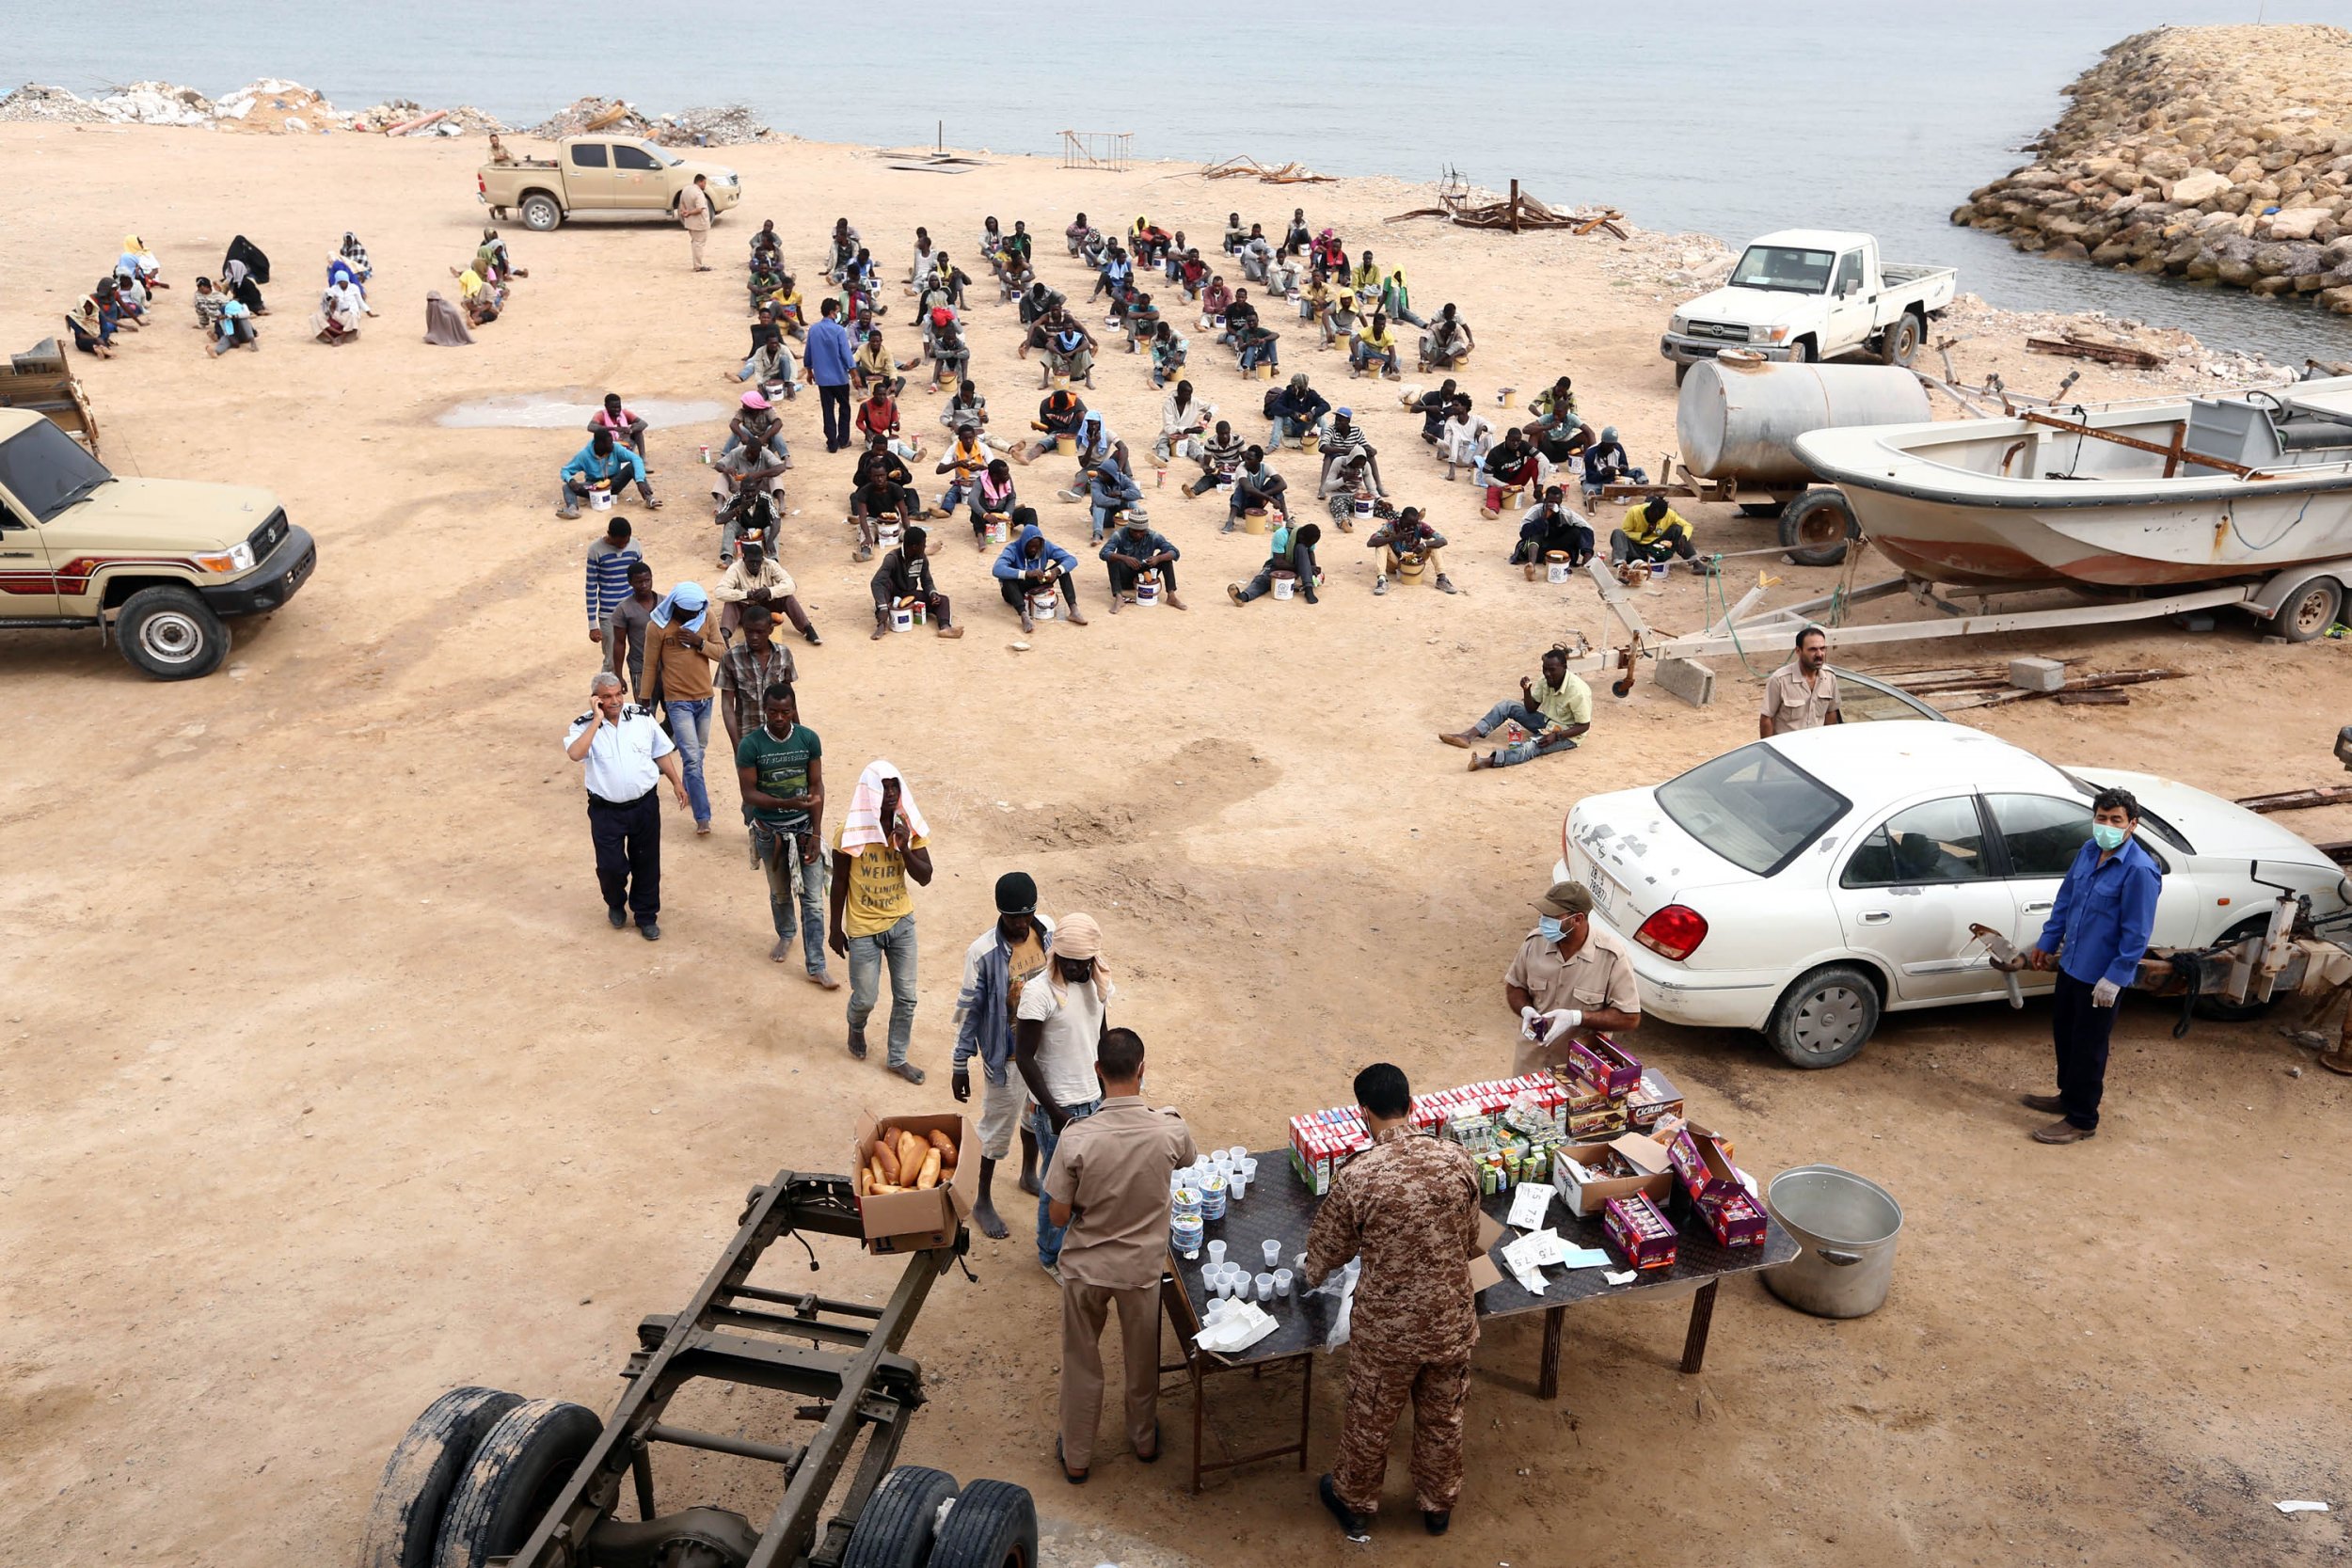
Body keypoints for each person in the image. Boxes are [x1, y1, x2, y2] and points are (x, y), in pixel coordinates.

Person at [1306, 1062, 1482, 1543]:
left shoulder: (1358, 1175)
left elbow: (1326, 1252)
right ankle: (1438, 1506)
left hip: (1388, 1332)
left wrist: (1309, 1273)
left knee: (1371, 1416)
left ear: (1364, 1113)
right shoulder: (1458, 1160)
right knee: (1444, 1417)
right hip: (1450, 1322)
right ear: (1412, 1104)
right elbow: (1470, 1240)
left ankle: (1355, 1503)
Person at [1046, 1026, 1195, 1481]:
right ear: (1142, 1070)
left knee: (1081, 1361)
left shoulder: (1076, 1138)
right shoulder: (1170, 1129)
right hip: (1141, 1271)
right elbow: (1188, 1161)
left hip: (1086, 1268)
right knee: (1142, 1359)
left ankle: (1077, 1456)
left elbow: (1056, 1217)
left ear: (1097, 1072)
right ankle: (1143, 1439)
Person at [2020, 788, 2160, 1145]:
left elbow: (2137, 933)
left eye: (2116, 820)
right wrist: (2047, 942)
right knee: (2064, 1035)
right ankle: (2068, 1097)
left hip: (2101, 977)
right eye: (2102, 818)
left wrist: (2115, 978)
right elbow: (2066, 900)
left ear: (2132, 825)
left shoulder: (2140, 870)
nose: (2107, 825)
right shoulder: (2088, 851)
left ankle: (2083, 1119)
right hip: (2072, 965)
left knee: (2089, 1046)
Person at [954, 874, 1054, 1241]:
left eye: (1026, 916)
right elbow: (970, 1010)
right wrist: (959, 1062)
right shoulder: (982, 952)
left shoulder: (1048, 934)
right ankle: (981, 1199)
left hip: (1044, 1049)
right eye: (1013, 917)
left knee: (1034, 1114)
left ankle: (1029, 1173)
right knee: (996, 1131)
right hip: (1006, 1057)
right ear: (1000, 913)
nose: (1021, 924)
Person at [1015, 911, 1114, 1275]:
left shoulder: (1097, 983)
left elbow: (1101, 1037)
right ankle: (1050, 1256)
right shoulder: (1037, 994)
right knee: (1057, 1188)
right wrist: (1055, 1112)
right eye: (1069, 963)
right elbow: (1025, 1059)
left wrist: (1108, 1095)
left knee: (1089, 1181)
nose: (1076, 970)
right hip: (1056, 1109)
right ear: (1057, 956)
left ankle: (1078, 1245)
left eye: (1082, 963)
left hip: (1093, 1100)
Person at [829, 761, 933, 1085]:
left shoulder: (907, 826)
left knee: (907, 997)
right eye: (883, 787)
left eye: (894, 786)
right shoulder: (849, 830)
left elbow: (925, 877)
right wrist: (835, 928)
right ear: (869, 792)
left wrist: (903, 848)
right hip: (863, 929)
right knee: (865, 998)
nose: (890, 793)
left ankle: (897, 1057)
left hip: (901, 922)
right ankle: (856, 1025)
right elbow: (839, 882)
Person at [565, 672, 689, 942]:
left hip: (644, 805)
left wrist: (676, 782)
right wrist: (597, 721)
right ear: (596, 699)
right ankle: (615, 902)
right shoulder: (584, 726)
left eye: (618, 694)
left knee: (647, 862)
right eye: (607, 697)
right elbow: (576, 754)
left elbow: (659, 751)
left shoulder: (642, 718)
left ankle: (646, 916)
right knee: (611, 866)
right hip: (605, 810)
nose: (615, 700)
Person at [736, 680, 839, 987]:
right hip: (771, 834)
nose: (779, 718)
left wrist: (817, 833)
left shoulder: (808, 739)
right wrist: (787, 802)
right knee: (781, 893)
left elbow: (816, 787)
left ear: (793, 710)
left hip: (806, 830)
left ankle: (817, 965)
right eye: (773, 712)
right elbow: (749, 794)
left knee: (814, 902)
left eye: (784, 712)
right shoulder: (751, 745)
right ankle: (786, 933)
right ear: (764, 711)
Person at [1502, 881, 1641, 1074]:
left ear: (1577, 919)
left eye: (1552, 917)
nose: (1544, 921)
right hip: (1530, 1062)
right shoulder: (1535, 942)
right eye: (1544, 914)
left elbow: (1629, 1018)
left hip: (1578, 1069)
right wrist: (1525, 1009)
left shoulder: (1611, 957)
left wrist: (1576, 1018)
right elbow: (1515, 987)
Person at [642, 583, 722, 836]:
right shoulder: (657, 627)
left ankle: (690, 786)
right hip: (678, 702)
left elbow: (722, 653)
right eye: (686, 613)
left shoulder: (705, 616)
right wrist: (645, 700)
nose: (691, 617)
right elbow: (650, 666)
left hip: (705, 699)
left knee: (699, 753)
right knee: (692, 758)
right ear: (674, 606)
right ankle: (703, 816)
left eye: (694, 613)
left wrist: (700, 643)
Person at [1446, 644, 1594, 770]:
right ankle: (1468, 736)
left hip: (1568, 734)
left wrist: (1557, 736)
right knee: (1507, 705)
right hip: (1548, 722)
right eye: (1545, 669)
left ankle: (1486, 761)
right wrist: (1526, 690)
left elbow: (1584, 726)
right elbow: (1530, 709)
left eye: (1552, 670)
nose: (1547, 674)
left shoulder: (1578, 692)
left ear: (1564, 667)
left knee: (1531, 746)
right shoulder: (1546, 680)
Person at [715, 602, 799, 750]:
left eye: (759, 632)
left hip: (781, 735)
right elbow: (727, 705)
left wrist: (798, 732)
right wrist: (737, 744)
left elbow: (790, 697)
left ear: (770, 630)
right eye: (749, 632)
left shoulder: (783, 654)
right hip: (749, 738)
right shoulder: (731, 658)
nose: (754, 637)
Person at [712, 538, 820, 644]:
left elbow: (791, 584)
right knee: (730, 602)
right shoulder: (735, 568)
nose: (755, 565)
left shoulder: (771, 565)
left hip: (767, 609)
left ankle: (808, 629)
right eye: (751, 562)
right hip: (746, 611)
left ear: (762, 560)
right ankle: (724, 637)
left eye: (758, 562)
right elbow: (720, 591)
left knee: (788, 597)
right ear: (744, 559)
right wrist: (746, 595)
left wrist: (770, 591)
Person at [993, 515, 1089, 631]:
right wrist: (1025, 574)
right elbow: (997, 569)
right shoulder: (1012, 549)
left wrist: (1056, 571)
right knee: (1008, 580)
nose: (1034, 549)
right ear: (1023, 543)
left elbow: (1072, 559)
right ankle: (1024, 616)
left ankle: (1074, 610)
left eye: (1036, 547)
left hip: (1038, 581)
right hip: (1015, 590)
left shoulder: (1045, 546)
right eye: (1030, 546)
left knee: (1063, 570)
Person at [868, 524, 965, 640]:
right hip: (891, 595)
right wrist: (883, 607)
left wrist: (932, 594)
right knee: (884, 585)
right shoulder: (892, 558)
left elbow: (927, 580)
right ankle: (882, 624)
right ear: (914, 547)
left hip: (909, 594)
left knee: (943, 600)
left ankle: (945, 627)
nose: (925, 547)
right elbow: (876, 582)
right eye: (923, 545)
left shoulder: (922, 558)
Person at [1759, 626, 1843, 736]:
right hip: (1786, 748)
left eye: (1822, 648)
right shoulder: (1780, 680)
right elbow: (1766, 718)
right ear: (1798, 651)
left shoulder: (1830, 677)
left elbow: (1831, 712)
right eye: (1812, 649)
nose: (1819, 654)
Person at [558, 431, 660, 518]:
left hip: (614, 483)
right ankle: (572, 509)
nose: (612, 445)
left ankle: (649, 498)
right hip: (594, 487)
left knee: (632, 466)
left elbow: (636, 459)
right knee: (567, 487)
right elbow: (565, 471)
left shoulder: (616, 448)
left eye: (612, 442)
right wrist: (571, 480)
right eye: (609, 443)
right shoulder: (584, 455)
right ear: (599, 444)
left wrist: (640, 480)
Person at [1099, 512, 1184, 611]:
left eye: (1142, 531)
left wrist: (1158, 559)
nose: (1138, 534)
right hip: (1125, 576)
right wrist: (1124, 558)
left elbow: (1174, 552)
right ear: (1129, 527)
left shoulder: (1153, 536)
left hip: (1146, 574)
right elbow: (1103, 553)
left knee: (1166, 557)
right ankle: (1119, 597)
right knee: (1112, 559)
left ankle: (1171, 595)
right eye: (1134, 531)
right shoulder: (1119, 534)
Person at [1229, 519, 1322, 606]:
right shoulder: (1281, 534)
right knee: (1262, 580)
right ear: (1301, 537)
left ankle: (1308, 589)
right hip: (1279, 565)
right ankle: (1243, 597)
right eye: (1309, 544)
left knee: (1301, 548)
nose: (1310, 546)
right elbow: (1279, 562)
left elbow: (1310, 551)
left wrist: (1314, 568)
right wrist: (1306, 568)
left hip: (1298, 567)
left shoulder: (1307, 538)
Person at [585, 515, 642, 657]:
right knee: (611, 661)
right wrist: (593, 625)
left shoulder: (635, 546)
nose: (623, 546)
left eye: (626, 542)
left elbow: (641, 580)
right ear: (609, 535)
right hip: (609, 615)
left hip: (633, 610)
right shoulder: (595, 550)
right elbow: (591, 588)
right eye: (619, 543)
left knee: (640, 656)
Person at [806, 298, 857, 452]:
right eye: (837, 310)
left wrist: (809, 371)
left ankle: (832, 442)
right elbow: (846, 354)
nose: (838, 313)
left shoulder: (813, 329)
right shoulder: (839, 330)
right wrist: (854, 373)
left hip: (822, 378)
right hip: (839, 377)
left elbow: (808, 352)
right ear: (832, 312)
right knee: (844, 408)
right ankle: (843, 439)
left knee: (827, 410)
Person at [1367, 509, 1455, 596]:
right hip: (1395, 562)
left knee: (1433, 542)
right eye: (1409, 524)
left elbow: (1443, 541)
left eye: (1415, 524)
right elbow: (1371, 542)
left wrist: (1425, 544)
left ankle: (1442, 579)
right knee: (1382, 544)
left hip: (1414, 558)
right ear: (1402, 519)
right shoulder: (1391, 526)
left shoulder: (1420, 526)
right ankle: (1382, 580)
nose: (1412, 527)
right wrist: (1394, 538)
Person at [1509, 488, 1595, 574]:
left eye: (1556, 503)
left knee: (1576, 531)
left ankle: (1560, 561)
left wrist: (1587, 553)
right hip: (1538, 550)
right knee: (1535, 532)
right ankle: (1531, 566)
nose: (1553, 505)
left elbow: (1587, 528)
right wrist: (1543, 519)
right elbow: (1523, 532)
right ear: (1545, 500)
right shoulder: (1536, 510)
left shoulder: (1566, 514)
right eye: (1550, 502)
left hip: (1559, 551)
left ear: (1560, 502)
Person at [1612, 495, 1702, 572]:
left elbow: (1688, 525)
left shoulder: (1670, 514)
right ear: (1649, 510)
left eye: (1659, 519)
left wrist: (1684, 537)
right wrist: (1645, 534)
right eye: (1653, 518)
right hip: (1634, 549)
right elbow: (1626, 532)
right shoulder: (1634, 511)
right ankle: (1620, 566)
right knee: (1617, 533)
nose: (1655, 521)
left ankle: (1696, 563)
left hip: (1655, 550)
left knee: (1678, 529)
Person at [608, 562, 659, 696]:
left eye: (647, 580)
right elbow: (619, 643)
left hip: (667, 667)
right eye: (639, 582)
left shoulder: (666, 603)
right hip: (640, 668)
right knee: (644, 713)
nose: (644, 585)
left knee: (673, 712)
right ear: (630, 582)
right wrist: (618, 675)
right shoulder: (623, 609)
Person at [1478, 429, 1539, 516]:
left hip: (1518, 480)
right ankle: (1492, 510)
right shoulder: (1495, 453)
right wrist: (1504, 485)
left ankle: (1539, 497)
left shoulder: (1524, 445)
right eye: (1512, 441)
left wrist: (1539, 486)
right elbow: (1486, 477)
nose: (1515, 444)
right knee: (1492, 493)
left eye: (1518, 441)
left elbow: (1543, 459)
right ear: (1506, 438)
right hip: (1500, 483)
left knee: (1535, 461)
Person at [1265, 373, 1330, 451]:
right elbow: (1275, 408)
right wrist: (1291, 413)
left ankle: (1326, 442)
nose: (1293, 388)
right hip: (1290, 427)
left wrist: (1313, 412)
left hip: (1305, 427)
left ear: (1301, 388)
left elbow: (1326, 405)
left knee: (1320, 415)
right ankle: (1273, 444)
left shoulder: (1311, 394)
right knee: (1278, 416)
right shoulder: (1287, 394)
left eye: (1295, 387)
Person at [1182, 420, 1244, 499]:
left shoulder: (1238, 439)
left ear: (1230, 432)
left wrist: (1226, 466)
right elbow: (1206, 464)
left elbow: (1246, 461)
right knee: (1208, 478)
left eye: (1226, 433)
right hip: (1220, 473)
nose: (1225, 436)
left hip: (1237, 470)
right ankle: (1194, 491)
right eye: (1222, 434)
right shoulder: (1210, 443)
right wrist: (1206, 468)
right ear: (1217, 433)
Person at [1440, 397, 1496, 482]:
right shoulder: (1450, 423)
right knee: (1455, 436)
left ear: (1464, 407)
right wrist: (1436, 441)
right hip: (1459, 458)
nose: (1453, 407)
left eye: (1456, 405)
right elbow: (1447, 443)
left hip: (1474, 459)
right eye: (1452, 405)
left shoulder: (1476, 420)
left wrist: (1481, 428)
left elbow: (1493, 427)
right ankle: (1451, 471)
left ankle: (1495, 467)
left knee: (1489, 436)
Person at [589, 392, 650, 464]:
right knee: (600, 435)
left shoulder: (624, 413)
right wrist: (613, 429)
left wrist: (630, 430)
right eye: (613, 407)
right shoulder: (601, 415)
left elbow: (643, 423)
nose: (617, 410)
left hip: (625, 444)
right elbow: (591, 427)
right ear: (606, 406)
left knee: (638, 431)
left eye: (618, 407)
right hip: (610, 446)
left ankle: (642, 458)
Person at [1419, 304, 1473, 371]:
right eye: (1443, 332)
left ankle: (1434, 364)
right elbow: (1422, 337)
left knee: (1458, 344)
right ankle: (1426, 361)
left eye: (1446, 333)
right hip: (1434, 355)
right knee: (1431, 337)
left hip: (1447, 357)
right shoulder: (1435, 326)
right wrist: (1422, 351)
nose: (1444, 334)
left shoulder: (1457, 330)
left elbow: (1463, 349)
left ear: (1452, 332)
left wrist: (1454, 355)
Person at [1350, 310, 1400, 380]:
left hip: (1377, 356)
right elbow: (1353, 342)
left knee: (1397, 359)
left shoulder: (1388, 335)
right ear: (1374, 324)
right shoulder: (1367, 331)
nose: (1382, 327)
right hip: (1365, 355)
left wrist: (1392, 363)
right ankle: (1357, 370)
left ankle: (1393, 373)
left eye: (1383, 324)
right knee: (1360, 344)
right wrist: (1357, 359)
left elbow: (1392, 352)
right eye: (1379, 324)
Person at [679, 174, 714, 271]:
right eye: (704, 183)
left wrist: (684, 212)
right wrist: (689, 212)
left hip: (690, 223)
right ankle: (698, 265)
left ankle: (697, 264)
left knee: (695, 242)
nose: (705, 185)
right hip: (700, 223)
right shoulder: (698, 193)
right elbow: (699, 209)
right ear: (700, 182)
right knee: (698, 244)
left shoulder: (686, 189)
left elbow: (681, 203)